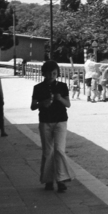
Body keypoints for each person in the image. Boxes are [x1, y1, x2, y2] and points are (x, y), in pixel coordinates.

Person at [31, 60, 73, 192]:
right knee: (47, 152)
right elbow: (32, 106)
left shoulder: (62, 86)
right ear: (43, 74)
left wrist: (60, 98)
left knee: (59, 150)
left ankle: (60, 180)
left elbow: (68, 104)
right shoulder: (38, 88)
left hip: (60, 120)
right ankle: (48, 180)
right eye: (49, 74)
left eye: (54, 73)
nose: (51, 76)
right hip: (45, 121)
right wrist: (41, 104)